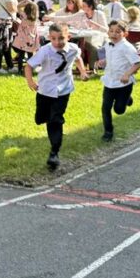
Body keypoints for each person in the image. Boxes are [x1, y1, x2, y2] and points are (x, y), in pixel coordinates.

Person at [25, 23, 88, 170]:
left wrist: (83, 72)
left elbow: (78, 58)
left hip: (63, 90)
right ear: (49, 38)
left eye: (61, 38)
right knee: (41, 118)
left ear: (68, 37)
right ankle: (44, 119)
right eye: (53, 39)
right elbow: (28, 66)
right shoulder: (45, 51)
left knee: (56, 119)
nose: (57, 42)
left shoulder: (73, 49)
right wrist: (30, 82)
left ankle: (54, 153)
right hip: (45, 90)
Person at [96, 20, 140, 142]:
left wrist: (127, 74)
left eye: (118, 32)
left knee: (119, 110)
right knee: (105, 107)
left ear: (125, 33)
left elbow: (137, 64)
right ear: (108, 32)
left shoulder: (127, 47)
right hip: (109, 82)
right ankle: (108, 131)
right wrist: (104, 62)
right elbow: (110, 57)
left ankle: (127, 99)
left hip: (123, 84)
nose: (114, 34)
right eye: (111, 31)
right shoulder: (108, 44)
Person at [12, 2, 40, 73]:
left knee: (21, 55)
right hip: (30, 39)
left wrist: (25, 2)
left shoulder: (24, 16)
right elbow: (36, 8)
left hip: (22, 39)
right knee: (30, 55)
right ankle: (30, 69)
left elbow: (18, 6)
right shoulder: (35, 17)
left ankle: (19, 69)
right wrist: (33, 3)